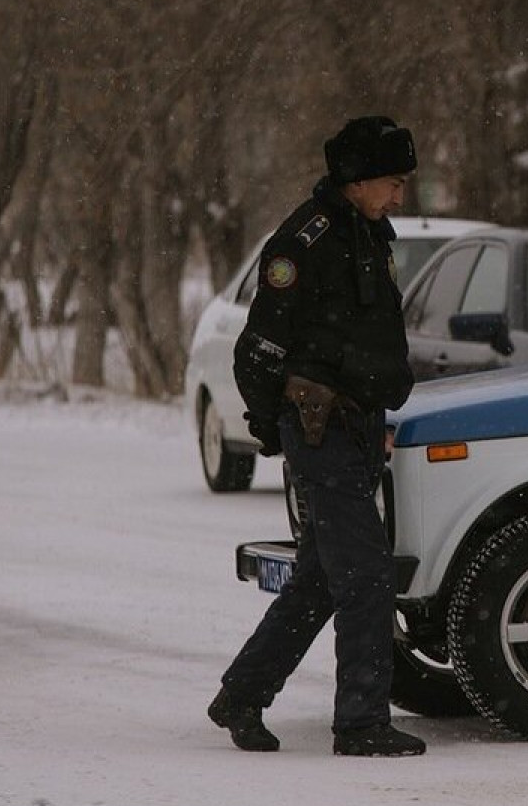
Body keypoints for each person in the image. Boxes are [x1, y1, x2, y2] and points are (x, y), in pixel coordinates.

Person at [207, 116, 428, 757]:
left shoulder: (369, 234)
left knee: (322, 580)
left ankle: (241, 696)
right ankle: (361, 723)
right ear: (357, 180)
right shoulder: (303, 242)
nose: (399, 197)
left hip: (358, 425)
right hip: (319, 425)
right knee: (364, 573)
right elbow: (258, 349)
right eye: (392, 183)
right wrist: (272, 423)